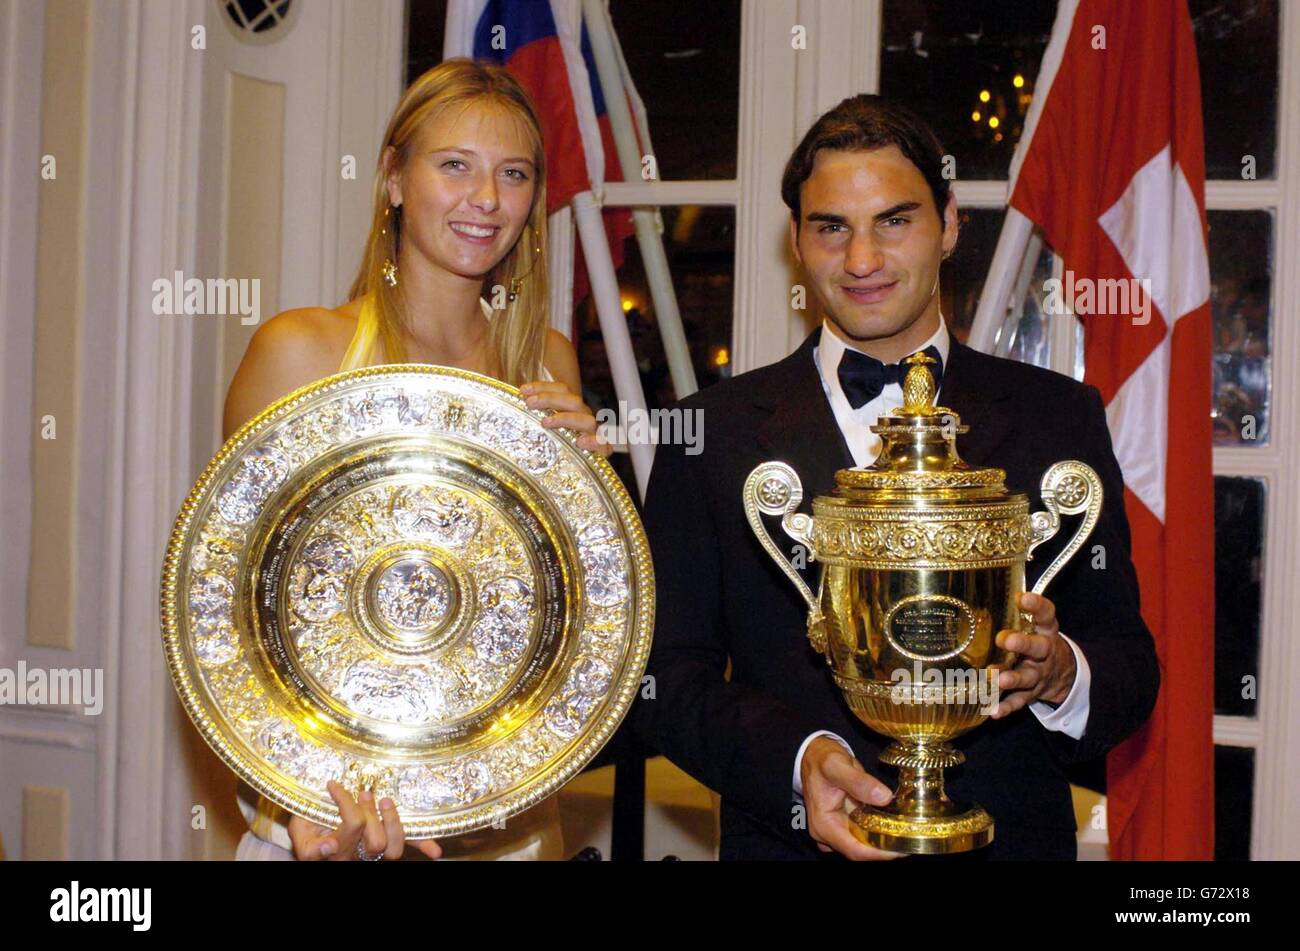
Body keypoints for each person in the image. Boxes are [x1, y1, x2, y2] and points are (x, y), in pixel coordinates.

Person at [632, 94, 1160, 861]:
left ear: (949, 225)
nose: (862, 260)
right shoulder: (710, 431)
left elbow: (1130, 664)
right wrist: (797, 757)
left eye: (894, 220)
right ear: (796, 241)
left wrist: (1061, 673)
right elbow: (663, 681)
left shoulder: (1058, 416)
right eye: (832, 227)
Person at [222, 59, 608, 861]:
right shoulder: (301, 351)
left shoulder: (548, 366)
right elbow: (226, 614)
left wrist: (588, 509)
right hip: (326, 822)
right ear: (394, 178)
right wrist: (299, 796)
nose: (487, 199)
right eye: (454, 165)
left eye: (514, 174)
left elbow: (564, 632)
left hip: (505, 820)